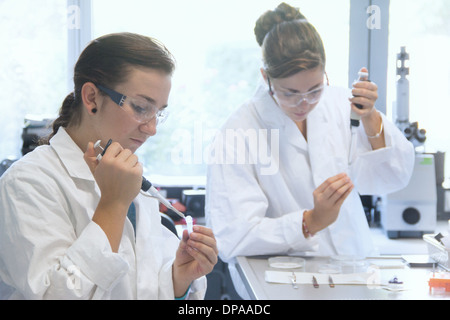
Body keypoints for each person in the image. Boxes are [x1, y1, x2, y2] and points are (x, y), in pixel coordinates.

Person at [205, 3, 414, 298]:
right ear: (265, 78)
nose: (304, 103)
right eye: (290, 93)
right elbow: (233, 237)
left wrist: (371, 118)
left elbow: (393, 177)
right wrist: (310, 222)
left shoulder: (341, 104)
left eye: (315, 89)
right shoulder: (237, 133)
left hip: (354, 273)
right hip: (280, 287)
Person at [0, 32, 218, 300]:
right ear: (91, 98)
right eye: (140, 107)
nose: (151, 128)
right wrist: (113, 205)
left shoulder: (129, 178)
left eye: (158, 113)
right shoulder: (28, 182)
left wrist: (177, 280)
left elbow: (139, 287)